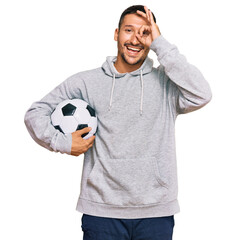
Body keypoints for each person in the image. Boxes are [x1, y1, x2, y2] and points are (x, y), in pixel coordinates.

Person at [24, 4, 212, 240]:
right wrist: (61, 142)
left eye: (145, 32)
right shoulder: (87, 82)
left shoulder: (167, 84)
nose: (135, 39)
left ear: (153, 38)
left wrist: (161, 45)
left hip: (156, 212)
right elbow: (35, 112)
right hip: (101, 211)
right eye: (128, 30)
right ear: (116, 34)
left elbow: (202, 94)